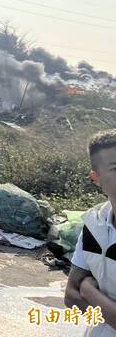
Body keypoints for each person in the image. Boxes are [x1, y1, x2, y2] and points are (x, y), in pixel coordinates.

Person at [65, 130, 116, 335]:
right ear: (96, 179)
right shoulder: (94, 225)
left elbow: (80, 291)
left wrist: (89, 292)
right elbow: (70, 296)